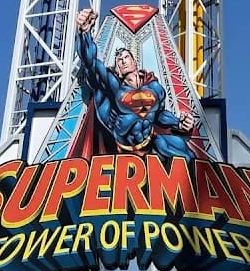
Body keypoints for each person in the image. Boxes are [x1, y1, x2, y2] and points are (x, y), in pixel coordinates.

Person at [75, 8, 195, 160]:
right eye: (119, 59)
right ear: (117, 68)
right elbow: (90, 62)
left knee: (187, 155)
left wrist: (180, 123)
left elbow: (160, 115)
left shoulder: (154, 87)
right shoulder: (112, 87)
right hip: (121, 153)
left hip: (151, 145)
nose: (123, 60)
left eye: (126, 57)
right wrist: (84, 33)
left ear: (135, 62)